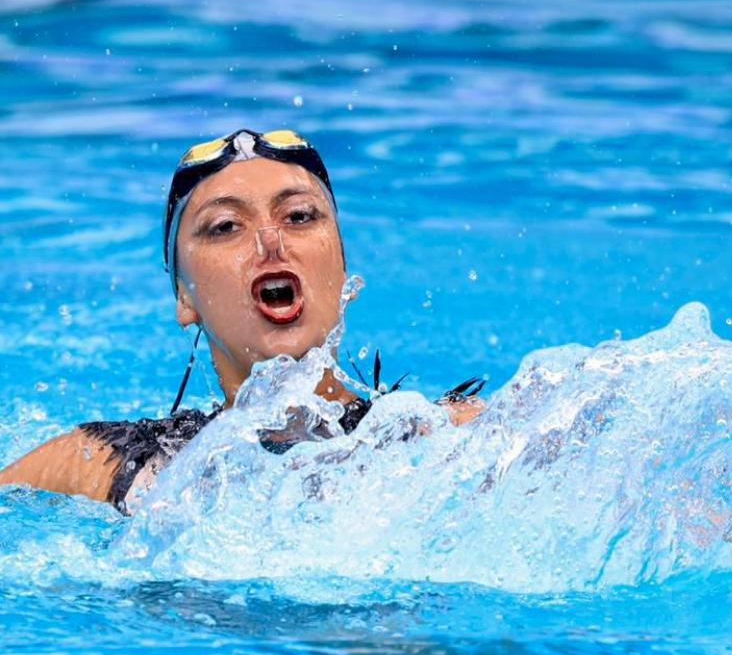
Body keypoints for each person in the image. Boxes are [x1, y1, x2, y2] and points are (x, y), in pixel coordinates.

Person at [0, 129, 484, 513]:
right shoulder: (109, 463)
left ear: (342, 272)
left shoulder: (444, 434)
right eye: (226, 226)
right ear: (185, 298)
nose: (270, 241)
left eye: (298, 216)